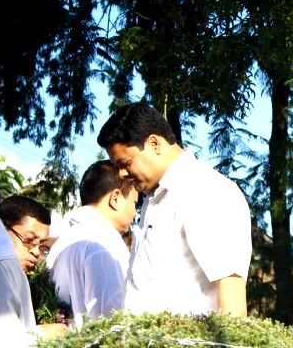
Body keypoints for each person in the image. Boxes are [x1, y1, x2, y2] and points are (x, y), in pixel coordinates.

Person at [97, 102, 252, 317]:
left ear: (154, 144)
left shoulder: (205, 190)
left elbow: (231, 288)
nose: (122, 174)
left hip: (188, 339)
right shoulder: (154, 199)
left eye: (125, 162)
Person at [0, 174, 67, 348]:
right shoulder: (1, 263)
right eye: (28, 241)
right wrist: (42, 335)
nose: (36, 252)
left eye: (42, 245)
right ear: (4, 227)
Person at [46, 160, 139, 328]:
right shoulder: (105, 242)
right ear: (115, 198)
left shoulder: (62, 242)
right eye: (134, 202)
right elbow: (111, 320)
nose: (134, 212)